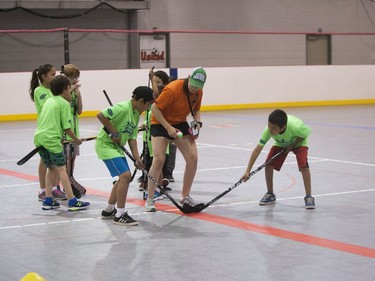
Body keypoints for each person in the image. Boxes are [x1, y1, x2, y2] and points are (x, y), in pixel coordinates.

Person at [145, 67, 207, 212]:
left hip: (180, 122)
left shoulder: (198, 91)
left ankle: (185, 196)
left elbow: (196, 109)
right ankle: (150, 198)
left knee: (193, 158)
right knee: (159, 159)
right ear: (188, 77)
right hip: (160, 122)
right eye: (192, 84)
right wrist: (168, 128)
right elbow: (155, 109)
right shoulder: (173, 89)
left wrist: (197, 121)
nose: (194, 88)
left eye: (198, 86)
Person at [96, 86, 155, 226]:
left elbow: (132, 139)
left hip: (116, 148)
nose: (148, 108)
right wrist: (113, 132)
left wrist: (136, 158)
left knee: (124, 178)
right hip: (106, 146)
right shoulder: (123, 107)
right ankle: (120, 214)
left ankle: (109, 210)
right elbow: (101, 115)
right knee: (125, 176)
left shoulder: (135, 114)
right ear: (141, 101)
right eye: (148, 105)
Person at [34, 75, 90, 211]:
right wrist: (76, 140)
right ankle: (72, 201)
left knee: (51, 168)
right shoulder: (64, 104)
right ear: (64, 90)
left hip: (40, 137)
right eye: (70, 90)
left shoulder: (49, 101)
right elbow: (67, 128)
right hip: (51, 139)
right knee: (61, 169)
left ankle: (48, 200)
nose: (71, 93)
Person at [241, 109, 315, 209]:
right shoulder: (269, 130)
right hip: (281, 143)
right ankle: (270, 194)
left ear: (283, 127)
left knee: (303, 166)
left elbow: (304, 135)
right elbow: (258, 149)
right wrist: (247, 171)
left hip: (299, 142)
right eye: (269, 125)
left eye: (274, 128)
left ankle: (309, 197)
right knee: (268, 164)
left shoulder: (296, 127)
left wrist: (292, 145)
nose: (270, 130)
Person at [29, 64, 66, 201]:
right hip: (46, 129)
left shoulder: (53, 90)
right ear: (43, 77)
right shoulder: (40, 90)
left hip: (56, 128)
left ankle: (56, 188)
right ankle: (43, 190)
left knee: (55, 161)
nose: (54, 77)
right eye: (52, 75)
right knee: (45, 161)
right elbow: (49, 105)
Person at [62, 64, 86, 197]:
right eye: (72, 77)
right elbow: (64, 101)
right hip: (66, 131)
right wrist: (71, 91)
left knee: (73, 157)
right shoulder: (62, 90)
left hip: (74, 129)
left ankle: (71, 177)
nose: (75, 79)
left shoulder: (75, 90)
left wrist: (79, 96)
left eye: (76, 77)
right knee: (65, 158)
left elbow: (79, 111)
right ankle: (66, 183)